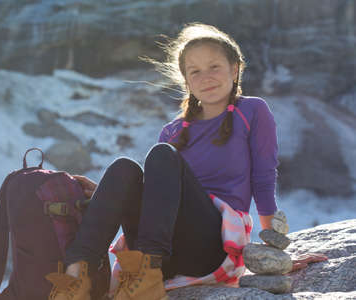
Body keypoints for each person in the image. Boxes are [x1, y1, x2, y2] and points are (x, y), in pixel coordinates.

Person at [45, 23, 327, 300]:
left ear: (235, 68)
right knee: (123, 168)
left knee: (162, 155)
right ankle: (76, 280)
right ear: (186, 80)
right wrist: (109, 193)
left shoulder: (252, 111)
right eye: (195, 71)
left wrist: (275, 252)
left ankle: (147, 279)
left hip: (210, 249)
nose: (206, 77)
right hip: (162, 250)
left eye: (214, 66)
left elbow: (263, 180)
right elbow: (158, 196)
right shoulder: (172, 131)